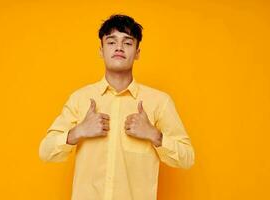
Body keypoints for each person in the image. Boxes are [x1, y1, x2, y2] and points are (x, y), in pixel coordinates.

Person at [39, 14, 195, 200]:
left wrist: (154, 135)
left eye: (128, 43)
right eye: (111, 42)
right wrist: (78, 131)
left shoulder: (159, 102)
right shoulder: (79, 99)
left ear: (137, 52)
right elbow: (45, 152)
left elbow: (187, 158)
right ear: (101, 50)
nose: (119, 48)